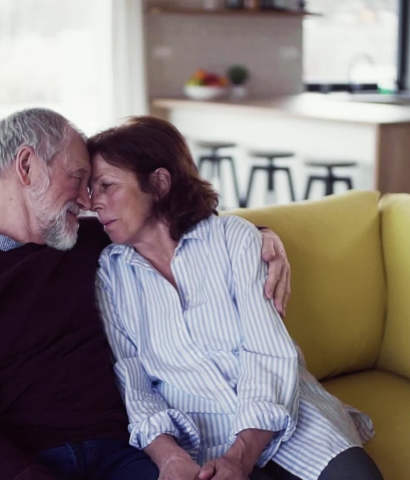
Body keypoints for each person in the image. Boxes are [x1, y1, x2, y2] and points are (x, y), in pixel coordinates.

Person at [0, 108, 292, 480]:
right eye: (78, 178)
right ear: (27, 166)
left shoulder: (91, 240)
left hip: (117, 454)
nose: (88, 201)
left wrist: (261, 236)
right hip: (12, 465)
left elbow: (179, 225)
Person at [88, 116, 383, 480]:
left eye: (106, 185)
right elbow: (134, 383)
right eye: (91, 189)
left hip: (287, 414)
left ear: (160, 183)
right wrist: (168, 457)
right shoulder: (111, 274)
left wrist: (241, 456)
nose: (94, 202)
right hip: (199, 437)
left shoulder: (234, 239)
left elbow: (267, 352)